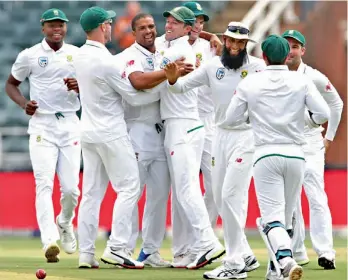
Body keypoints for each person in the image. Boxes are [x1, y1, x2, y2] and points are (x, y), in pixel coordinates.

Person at [222, 34, 330, 280]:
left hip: (266, 155)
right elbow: (323, 113)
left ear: (265, 57)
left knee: (271, 221)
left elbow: (229, 119)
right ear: (285, 56)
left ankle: (284, 258)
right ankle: (274, 272)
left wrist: (251, 118)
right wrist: (307, 120)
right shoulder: (300, 81)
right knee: (287, 220)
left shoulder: (250, 83)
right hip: (296, 154)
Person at [164, 22, 264, 276]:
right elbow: (181, 87)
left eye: (240, 43)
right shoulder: (212, 66)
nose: (235, 47)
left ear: (245, 45)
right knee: (219, 196)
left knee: (232, 196)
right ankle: (244, 254)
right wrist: (173, 77)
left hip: (245, 136)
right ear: (225, 40)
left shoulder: (256, 67)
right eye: (231, 41)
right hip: (219, 135)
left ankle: (234, 262)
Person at [75, 6, 160, 269]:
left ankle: (86, 254)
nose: (112, 27)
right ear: (102, 27)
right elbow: (133, 96)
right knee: (130, 187)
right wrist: (167, 86)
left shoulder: (78, 55)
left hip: (87, 131)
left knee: (91, 194)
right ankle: (117, 247)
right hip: (110, 131)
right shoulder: (108, 61)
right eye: (109, 23)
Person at [5, 8, 80, 263]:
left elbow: (95, 88)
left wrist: (80, 86)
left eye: (61, 24)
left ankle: (64, 221)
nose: (56, 28)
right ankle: (49, 240)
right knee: (44, 184)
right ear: (42, 28)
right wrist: (23, 104)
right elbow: (11, 84)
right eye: (51, 25)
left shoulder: (76, 55)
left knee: (71, 189)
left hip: (70, 123)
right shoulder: (30, 55)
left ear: (66, 28)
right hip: (42, 125)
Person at [156, 6, 225, 269]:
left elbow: (156, 71)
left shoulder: (177, 51)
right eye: (168, 21)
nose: (168, 25)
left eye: (176, 23)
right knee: (183, 190)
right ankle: (184, 251)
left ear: (187, 28)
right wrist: (208, 35)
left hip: (183, 125)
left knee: (187, 188)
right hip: (185, 124)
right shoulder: (177, 47)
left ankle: (206, 242)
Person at [282, 29, 343, 269]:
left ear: (302, 51)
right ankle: (297, 250)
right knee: (290, 199)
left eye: (294, 46)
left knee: (316, 195)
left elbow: (336, 103)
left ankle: (326, 252)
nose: (290, 51)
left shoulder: (314, 76)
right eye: (286, 46)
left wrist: (329, 137)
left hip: (310, 143)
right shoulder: (272, 74)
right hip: (285, 142)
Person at [119, 13, 172, 267]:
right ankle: (124, 249)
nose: (148, 31)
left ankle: (150, 250)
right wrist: (167, 74)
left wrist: (208, 36)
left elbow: (187, 34)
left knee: (160, 195)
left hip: (162, 131)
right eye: (142, 28)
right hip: (137, 130)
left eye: (151, 26)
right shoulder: (131, 55)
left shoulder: (162, 49)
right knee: (133, 192)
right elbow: (138, 82)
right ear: (134, 32)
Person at [183, 1, 218, 228]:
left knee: (215, 183)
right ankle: (187, 241)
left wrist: (209, 35)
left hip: (209, 120)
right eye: (194, 20)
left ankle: (206, 235)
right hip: (183, 119)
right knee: (187, 184)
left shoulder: (211, 47)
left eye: (201, 20)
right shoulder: (168, 44)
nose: (198, 24)